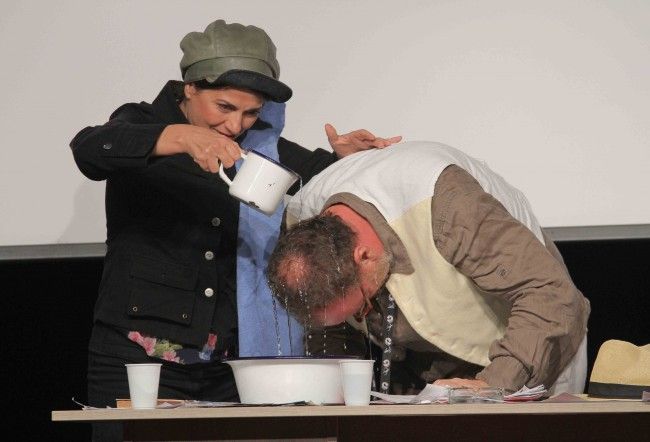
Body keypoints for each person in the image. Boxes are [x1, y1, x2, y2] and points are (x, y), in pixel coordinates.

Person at [70, 19, 400, 441]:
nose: (236, 125)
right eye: (224, 107)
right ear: (191, 87)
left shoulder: (260, 147)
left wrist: (345, 161)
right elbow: (90, 148)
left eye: (251, 112)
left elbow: (317, 178)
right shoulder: (142, 123)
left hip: (230, 369)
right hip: (136, 361)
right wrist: (181, 138)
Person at [267, 140, 591, 396]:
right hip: (430, 369)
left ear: (363, 256)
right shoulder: (301, 235)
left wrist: (493, 384)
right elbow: (332, 327)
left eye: (363, 305)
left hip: (533, 341)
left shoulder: (446, 204)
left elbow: (550, 294)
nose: (365, 316)